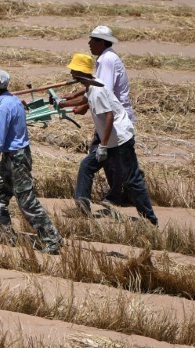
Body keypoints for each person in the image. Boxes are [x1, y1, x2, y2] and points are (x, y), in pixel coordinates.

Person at [0, 69, 63, 254]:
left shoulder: (4, 106)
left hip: (17, 158)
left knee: (26, 201)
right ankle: (6, 235)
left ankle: (53, 240)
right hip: (12, 157)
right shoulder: (12, 101)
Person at [57, 54, 157, 225]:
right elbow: (84, 99)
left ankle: (149, 219)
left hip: (120, 139)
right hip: (110, 138)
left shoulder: (98, 91)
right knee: (86, 166)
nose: (71, 73)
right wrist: (62, 103)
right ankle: (82, 208)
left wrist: (102, 146)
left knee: (132, 179)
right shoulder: (92, 84)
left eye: (73, 70)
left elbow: (109, 117)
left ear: (80, 72)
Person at [65, 25, 134, 211]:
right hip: (111, 118)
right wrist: (71, 98)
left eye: (92, 40)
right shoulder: (105, 58)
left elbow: (103, 91)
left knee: (93, 160)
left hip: (114, 120)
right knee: (112, 160)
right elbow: (93, 85)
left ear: (101, 42)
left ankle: (86, 202)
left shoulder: (107, 60)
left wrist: (83, 106)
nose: (89, 43)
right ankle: (122, 194)